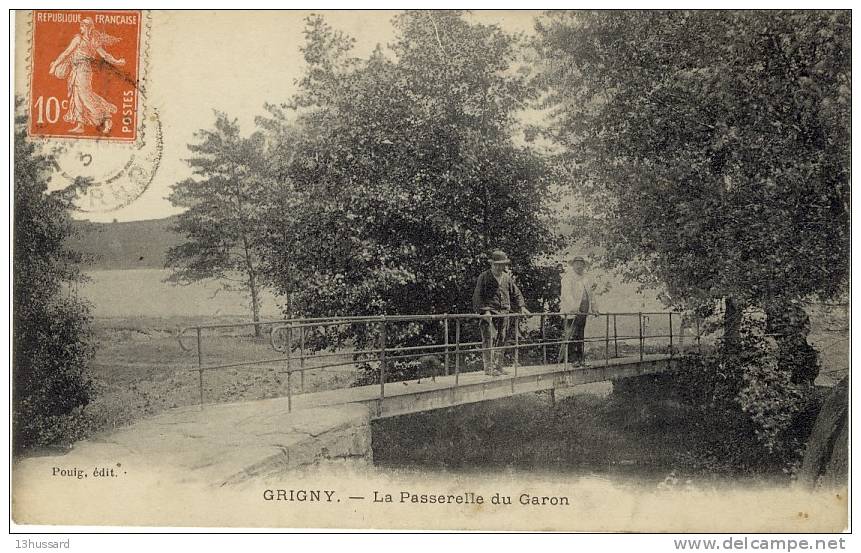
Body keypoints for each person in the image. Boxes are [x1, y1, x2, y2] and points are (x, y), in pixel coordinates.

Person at [49, 17, 126, 134]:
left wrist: (117, 62)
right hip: (75, 70)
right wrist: (55, 65)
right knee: (76, 97)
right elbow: (67, 53)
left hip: (84, 71)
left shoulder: (92, 40)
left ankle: (106, 118)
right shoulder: (78, 39)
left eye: (82, 26)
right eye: (81, 26)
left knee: (85, 96)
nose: (81, 28)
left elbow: (104, 55)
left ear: (88, 27)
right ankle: (80, 125)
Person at [472, 250, 529, 376]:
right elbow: (477, 296)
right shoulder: (484, 277)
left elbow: (516, 293)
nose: (499, 267)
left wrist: (522, 307)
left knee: (502, 339)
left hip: (504, 313)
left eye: (501, 265)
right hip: (489, 314)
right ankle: (489, 367)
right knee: (488, 339)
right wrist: (485, 311)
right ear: (491, 264)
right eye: (496, 264)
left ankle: (499, 366)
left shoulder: (507, 278)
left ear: (505, 265)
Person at [559, 255, 599, 367]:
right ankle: (570, 360)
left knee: (580, 334)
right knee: (570, 334)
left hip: (583, 309)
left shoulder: (586, 278)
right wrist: (574, 307)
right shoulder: (568, 278)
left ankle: (580, 359)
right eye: (576, 264)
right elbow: (566, 294)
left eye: (581, 264)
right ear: (573, 265)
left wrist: (594, 308)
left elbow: (590, 295)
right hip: (572, 310)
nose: (579, 266)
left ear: (583, 265)